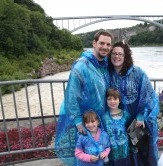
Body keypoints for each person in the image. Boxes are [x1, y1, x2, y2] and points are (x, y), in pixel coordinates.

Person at [55, 30, 113, 165]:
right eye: (102, 43)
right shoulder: (82, 66)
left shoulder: (105, 65)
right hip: (86, 120)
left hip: (99, 119)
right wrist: (78, 121)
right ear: (94, 43)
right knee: (84, 154)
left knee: (100, 151)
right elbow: (71, 95)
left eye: (108, 44)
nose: (105, 47)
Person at [107, 41, 159, 166]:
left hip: (137, 120)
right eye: (114, 53)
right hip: (118, 120)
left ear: (126, 57)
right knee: (124, 151)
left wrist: (141, 116)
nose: (117, 56)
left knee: (141, 149)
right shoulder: (107, 74)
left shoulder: (137, 72)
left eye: (120, 54)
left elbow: (147, 95)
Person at [102, 88, 134, 165]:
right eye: (109, 99)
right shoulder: (104, 117)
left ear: (119, 100)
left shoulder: (126, 115)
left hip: (124, 151)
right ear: (106, 101)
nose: (112, 101)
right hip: (110, 153)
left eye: (115, 99)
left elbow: (131, 131)